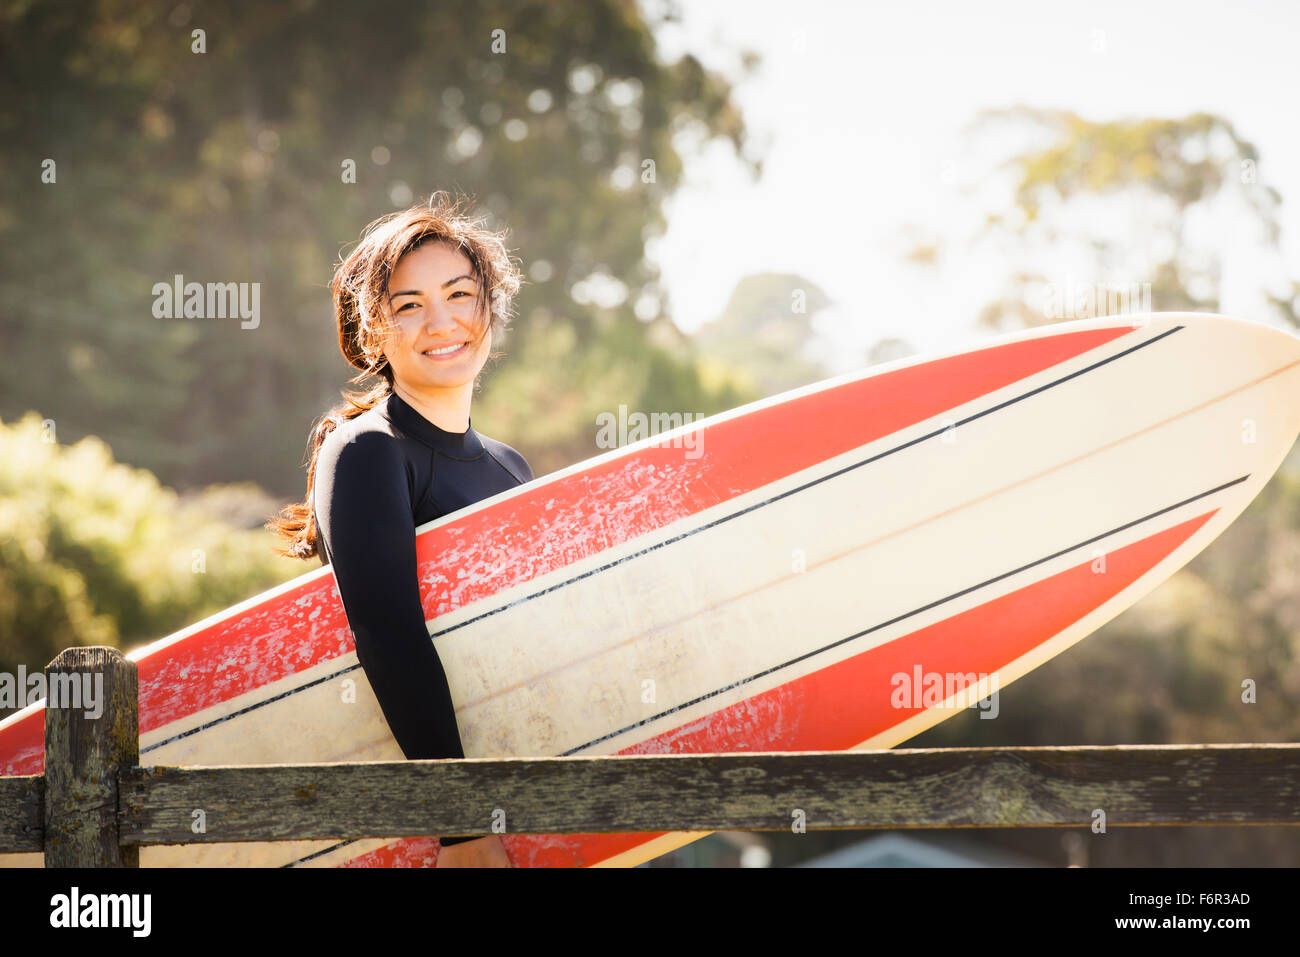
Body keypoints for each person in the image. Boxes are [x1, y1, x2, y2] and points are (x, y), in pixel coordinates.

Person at [268, 192, 530, 868]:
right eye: (409, 304)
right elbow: (389, 637)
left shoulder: (512, 468)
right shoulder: (367, 451)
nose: (441, 321)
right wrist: (463, 830)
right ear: (374, 330)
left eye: (460, 294)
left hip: (521, 795)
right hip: (452, 828)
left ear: (490, 310)